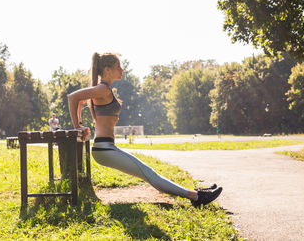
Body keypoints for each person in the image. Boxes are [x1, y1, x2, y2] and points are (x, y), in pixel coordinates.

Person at [68, 52, 222, 207]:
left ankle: (194, 193)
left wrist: (80, 123)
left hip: (106, 147)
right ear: (107, 70)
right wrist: (77, 126)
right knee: (149, 173)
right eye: (118, 67)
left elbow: (80, 102)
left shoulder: (103, 89)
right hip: (104, 149)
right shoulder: (103, 89)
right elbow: (73, 98)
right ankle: (195, 196)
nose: (122, 70)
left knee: (148, 172)